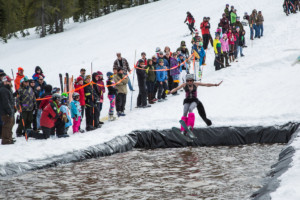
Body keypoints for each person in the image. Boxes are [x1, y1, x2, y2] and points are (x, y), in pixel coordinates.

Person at [0, 76, 15, 145]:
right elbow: (6, 102)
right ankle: (6, 140)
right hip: (5, 112)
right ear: (5, 82)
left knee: (10, 125)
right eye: (9, 81)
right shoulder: (3, 90)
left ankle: (9, 138)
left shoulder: (7, 89)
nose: (10, 83)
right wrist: (9, 111)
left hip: (9, 110)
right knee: (6, 126)